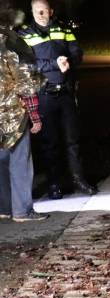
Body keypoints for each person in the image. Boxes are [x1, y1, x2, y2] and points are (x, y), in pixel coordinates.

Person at [18, 0, 96, 200]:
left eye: (44, 10)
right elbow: (28, 64)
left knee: (73, 140)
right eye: (37, 10)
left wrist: (69, 60)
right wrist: (55, 63)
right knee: (49, 143)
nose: (41, 13)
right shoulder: (25, 34)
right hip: (44, 94)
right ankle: (54, 184)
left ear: (51, 11)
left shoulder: (63, 29)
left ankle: (79, 180)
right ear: (32, 11)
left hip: (66, 93)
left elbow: (77, 51)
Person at [0, 5, 47, 222]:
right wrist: (35, 116)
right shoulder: (11, 42)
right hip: (12, 114)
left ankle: (4, 208)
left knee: (1, 162)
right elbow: (26, 83)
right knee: (20, 162)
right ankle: (22, 211)